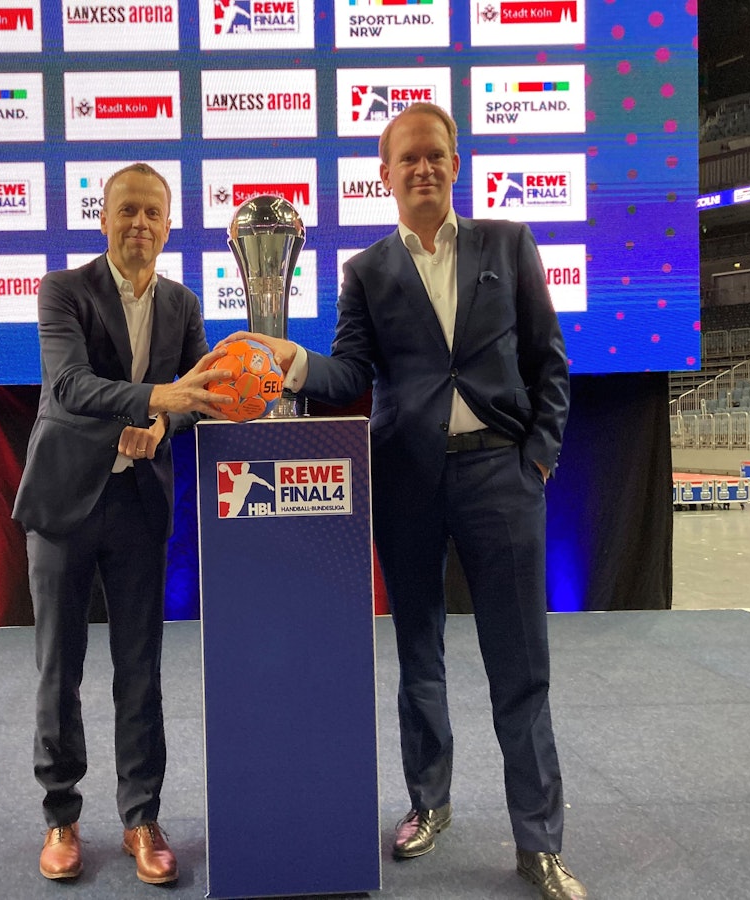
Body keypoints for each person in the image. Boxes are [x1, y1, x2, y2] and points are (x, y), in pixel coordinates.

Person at [223, 103, 585, 899]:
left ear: (456, 163)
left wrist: (539, 460)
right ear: (383, 175)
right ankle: (430, 803)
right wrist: (290, 363)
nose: (422, 169)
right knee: (419, 657)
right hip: (409, 485)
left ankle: (540, 840)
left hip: (502, 478)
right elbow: (351, 376)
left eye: (435, 156)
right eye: (406, 159)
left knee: (520, 667)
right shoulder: (366, 272)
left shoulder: (509, 244)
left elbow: (549, 363)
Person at [12, 163, 231, 885]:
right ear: (102, 218)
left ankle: (142, 820)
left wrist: (163, 420)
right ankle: (62, 818)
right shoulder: (63, 291)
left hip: (138, 508)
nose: (140, 223)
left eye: (153, 214)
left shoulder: (182, 302)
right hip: (61, 505)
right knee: (60, 669)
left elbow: (196, 399)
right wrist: (155, 398)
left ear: (169, 226)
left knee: (141, 674)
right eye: (126, 210)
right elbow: (69, 385)